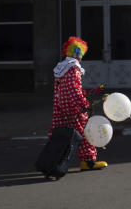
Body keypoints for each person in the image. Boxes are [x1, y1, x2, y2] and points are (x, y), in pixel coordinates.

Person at [50, 36, 107, 171]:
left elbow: (67, 89)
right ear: (78, 54)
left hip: (61, 107)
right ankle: (88, 162)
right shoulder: (74, 68)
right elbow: (74, 90)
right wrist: (84, 105)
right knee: (86, 133)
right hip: (74, 108)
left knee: (62, 135)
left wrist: (94, 91)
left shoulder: (62, 69)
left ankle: (54, 159)